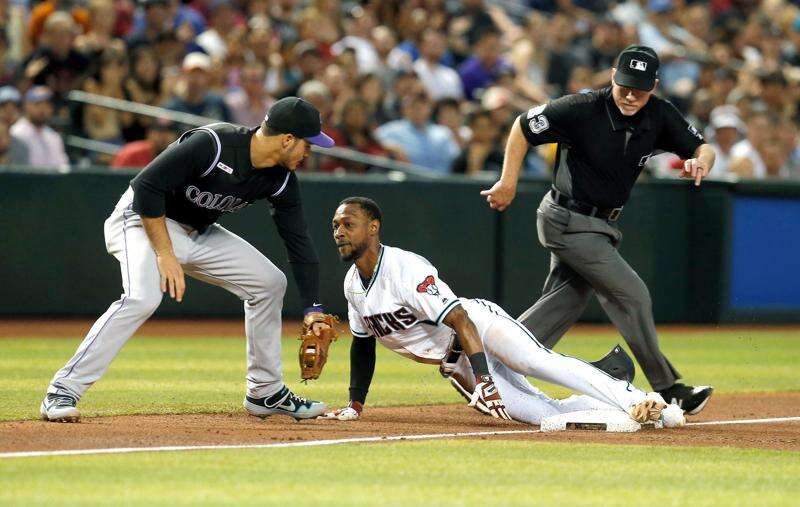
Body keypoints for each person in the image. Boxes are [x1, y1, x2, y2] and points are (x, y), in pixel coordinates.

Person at [40, 97, 336, 423]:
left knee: (269, 283)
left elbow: (298, 241)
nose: (310, 153)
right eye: (308, 144)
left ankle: (264, 392)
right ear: (287, 139)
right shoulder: (214, 143)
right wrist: (165, 253)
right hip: (141, 220)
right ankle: (63, 389)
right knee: (142, 298)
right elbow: (146, 187)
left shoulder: (280, 178)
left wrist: (313, 308)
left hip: (198, 232)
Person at [480, 45, 716, 415]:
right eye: (624, 85)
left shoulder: (659, 115)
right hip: (566, 219)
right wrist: (508, 181)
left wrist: (700, 162)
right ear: (612, 76)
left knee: (568, 299)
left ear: (654, 84)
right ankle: (670, 388)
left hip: (601, 224)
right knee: (631, 293)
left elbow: (703, 147)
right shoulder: (582, 107)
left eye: (640, 87)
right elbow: (522, 125)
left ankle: (489, 360)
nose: (630, 94)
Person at [322, 197, 685, 428]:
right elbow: (362, 344)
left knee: (536, 362)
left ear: (373, 228)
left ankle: (638, 399)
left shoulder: (405, 269)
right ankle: (629, 410)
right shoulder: (352, 285)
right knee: (543, 417)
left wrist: (486, 380)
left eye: (347, 224)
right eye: (336, 225)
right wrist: (355, 404)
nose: (339, 232)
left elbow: (459, 319)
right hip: (456, 364)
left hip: (477, 325)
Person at [10, 86, 69, 170]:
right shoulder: (15, 133)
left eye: (47, 104)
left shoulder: (54, 137)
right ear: (27, 105)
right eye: (38, 104)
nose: (43, 109)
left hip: (53, 182)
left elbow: (63, 167)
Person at [111, 119, 177, 168]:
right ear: (149, 134)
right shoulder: (131, 153)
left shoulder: (177, 155)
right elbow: (115, 179)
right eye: (158, 132)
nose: (162, 137)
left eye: (167, 132)